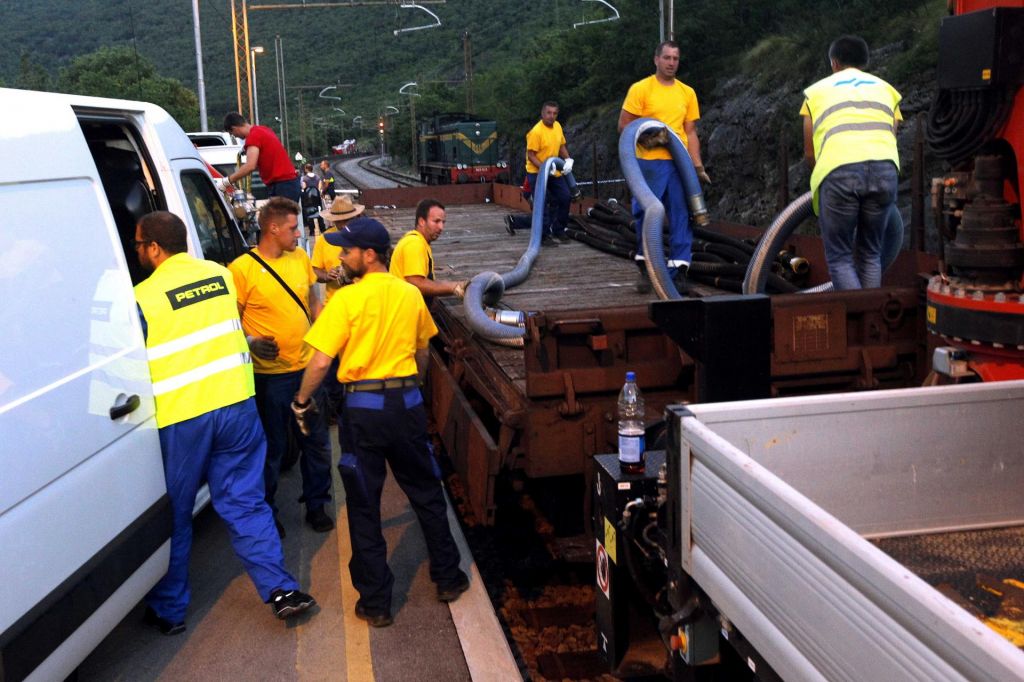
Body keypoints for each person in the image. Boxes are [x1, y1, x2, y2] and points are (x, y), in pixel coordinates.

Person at [133, 211, 316, 634]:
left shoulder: (141, 297)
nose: (137, 250)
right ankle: (282, 590)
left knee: (176, 515)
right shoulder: (220, 276)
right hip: (236, 406)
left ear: (155, 249)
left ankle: (169, 610)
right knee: (245, 502)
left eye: (140, 244)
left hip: (184, 417)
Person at [292, 217, 469, 628]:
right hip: (405, 403)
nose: (339, 256)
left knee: (364, 504)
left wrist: (302, 401)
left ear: (368, 255)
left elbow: (320, 360)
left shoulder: (347, 301)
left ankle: (376, 603)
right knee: (425, 492)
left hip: (363, 411)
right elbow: (423, 352)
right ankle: (447, 577)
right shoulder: (409, 295)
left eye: (346, 250)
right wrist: (413, 394)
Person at [228, 197, 334, 535]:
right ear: (272, 228)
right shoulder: (241, 270)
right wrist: (252, 341)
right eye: (292, 227)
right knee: (272, 448)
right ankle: (268, 512)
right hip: (270, 378)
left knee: (315, 443)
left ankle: (316, 505)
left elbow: (312, 303)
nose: (298, 233)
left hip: (308, 372)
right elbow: (233, 320)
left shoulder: (300, 257)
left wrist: (332, 335)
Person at [802, 35, 901, 290]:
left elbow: (810, 151)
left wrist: (823, 177)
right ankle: (870, 323)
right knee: (870, 253)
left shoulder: (817, 92)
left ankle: (853, 322)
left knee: (840, 257)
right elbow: (892, 132)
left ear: (834, 62)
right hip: (885, 170)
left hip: (839, 172)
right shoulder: (885, 89)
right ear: (865, 62)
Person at [618, 41, 709, 294]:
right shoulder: (641, 89)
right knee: (649, 213)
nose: (671, 63)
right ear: (656, 59)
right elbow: (624, 125)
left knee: (683, 214)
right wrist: (647, 138)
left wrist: (697, 166)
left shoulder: (686, 93)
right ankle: (647, 267)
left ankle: (679, 271)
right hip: (648, 162)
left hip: (679, 164)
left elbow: (690, 132)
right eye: (667, 58)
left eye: (676, 58)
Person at [311, 194, 365, 413]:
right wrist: (328, 275)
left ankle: (357, 402)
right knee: (331, 363)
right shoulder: (325, 239)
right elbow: (315, 271)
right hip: (334, 308)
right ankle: (336, 406)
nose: (344, 225)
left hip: (361, 307)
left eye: (348, 221)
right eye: (340, 221)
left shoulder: (363, 238)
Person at [389, 198, 469, 303]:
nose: (441, 227)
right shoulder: (414, 244)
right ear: (421, 221)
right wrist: (453, 287)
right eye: (436, 221)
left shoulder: (420, 242)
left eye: (443, 222)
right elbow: (416, 283)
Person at [524, 102, 575, 247]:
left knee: (565, 197)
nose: (551, 116)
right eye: (549, 113)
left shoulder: (558, 127)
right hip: (537, 172)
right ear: (542, 113)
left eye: (554, 113)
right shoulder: (536, 132)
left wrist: (568, 159)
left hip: (554, 170)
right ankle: (544, 235)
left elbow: (561, 145)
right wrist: (544, 168)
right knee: (543, 202)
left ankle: (559, 229)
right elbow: (531, 155)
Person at [222, 112, 301, 202]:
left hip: (282, 186)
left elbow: (250, 166)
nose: (235, 136)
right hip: (287, 183)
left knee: (279, 216)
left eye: (232, 134)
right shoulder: (263, 130)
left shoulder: (253, 137)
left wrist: (227, 181)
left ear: (234, 128)